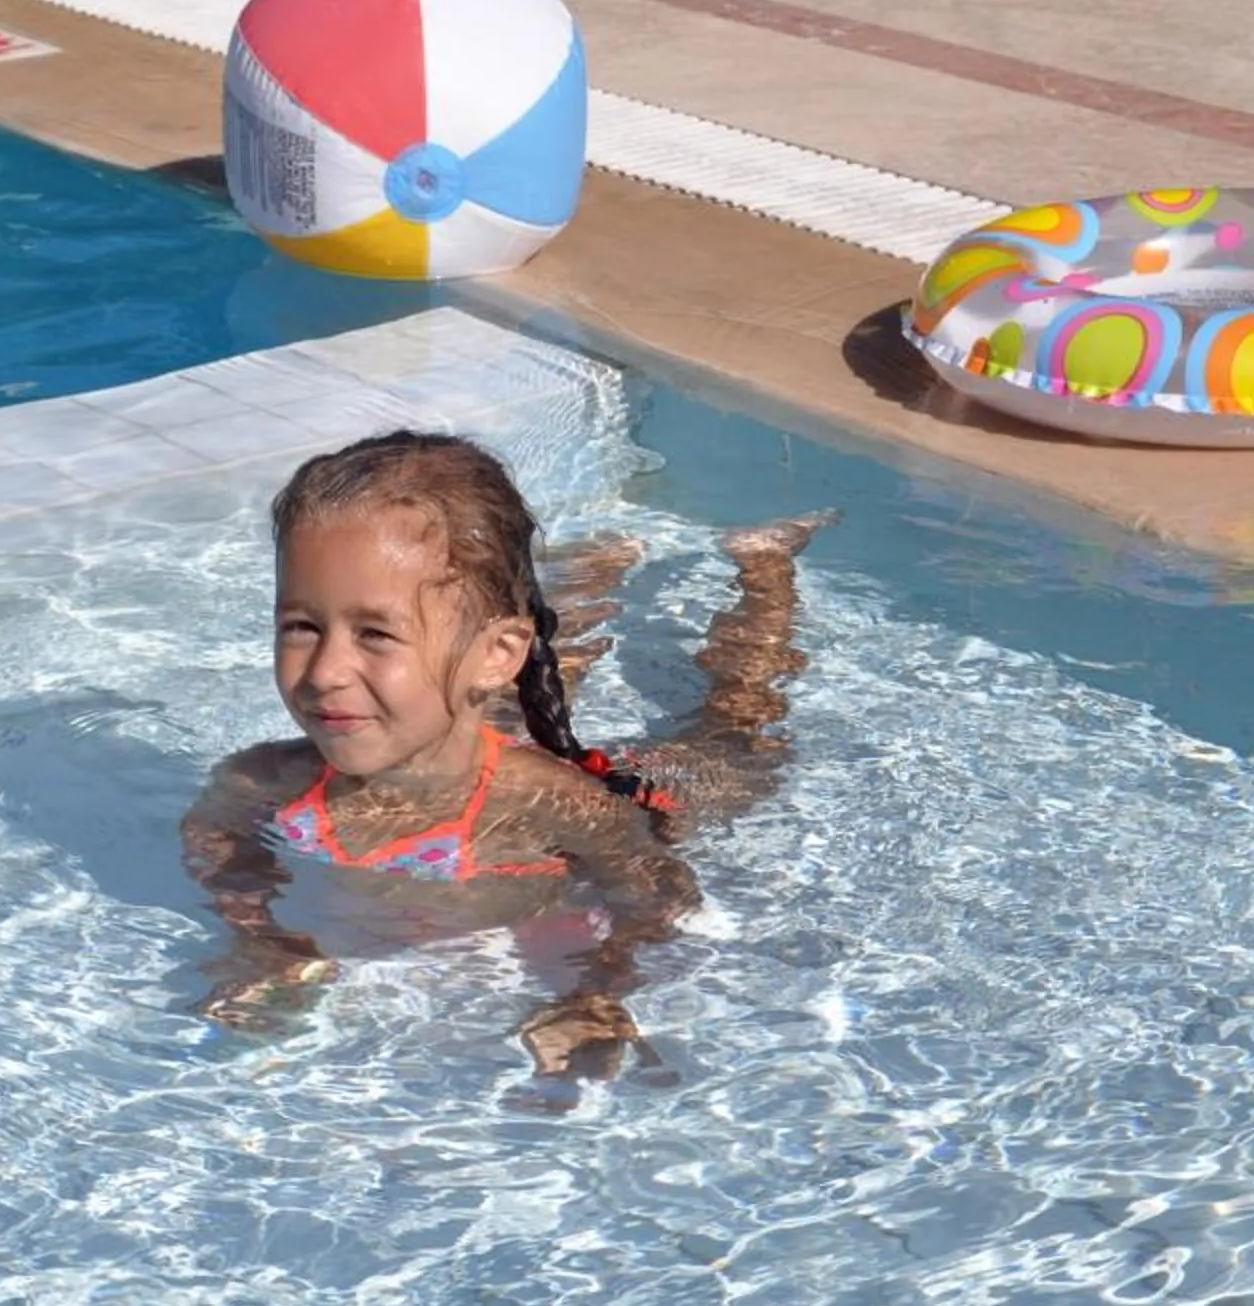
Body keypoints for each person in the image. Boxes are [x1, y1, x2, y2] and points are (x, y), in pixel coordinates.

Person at [179, 429, 825, 1084]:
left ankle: (766, 570)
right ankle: (597, 566)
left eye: (374, 633)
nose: (325, 672)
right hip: (466, 731)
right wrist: (262, 938)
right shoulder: (262, 781)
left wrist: (598, 990)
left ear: (496, 654)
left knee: (739, 726)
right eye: (301, 626)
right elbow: (215, 840)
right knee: (518, 700)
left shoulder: (556, 805)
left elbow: (658, 897)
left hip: (646, 788)